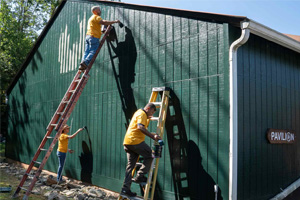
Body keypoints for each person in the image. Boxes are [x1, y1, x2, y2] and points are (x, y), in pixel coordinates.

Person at [121, 103, 161, 197]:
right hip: (135, 141)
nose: (151, 114)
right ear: (147, 108)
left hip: (128, 142)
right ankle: (140, 176)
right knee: (151, 155)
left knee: (130, 166)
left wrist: (150, 133)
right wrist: (153, 136)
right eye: (151, 112)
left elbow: (138, 128)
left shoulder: (138, 112)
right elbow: (140, 127)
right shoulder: (142, 114)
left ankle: (125, 189)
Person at [79, 6, 120, 70]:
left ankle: (82, 64)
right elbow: (104, 22)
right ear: (95, 11)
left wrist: (101, 31)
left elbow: (95, 28)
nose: (100, 11)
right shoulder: (96, 17)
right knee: (93, 51)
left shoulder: (91, 18)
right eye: (99, 10)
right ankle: (85, 62)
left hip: (88, 36)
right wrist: (114, 21)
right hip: (93, 37)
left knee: (86, 52)